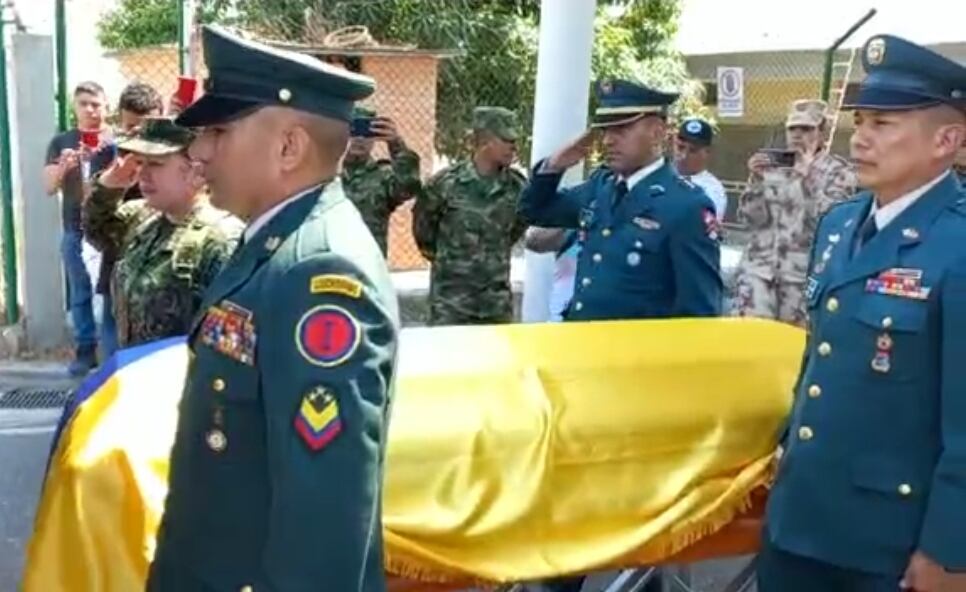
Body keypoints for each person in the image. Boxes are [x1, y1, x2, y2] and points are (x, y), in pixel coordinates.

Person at [147, 26, 399, 592]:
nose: (199, 151)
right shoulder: (275, 243)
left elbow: (324, 513)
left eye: (218, 130)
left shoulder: (320, 272)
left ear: (289, 147)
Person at [760, 35, 966, 592]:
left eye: (884, 123)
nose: (861, 138)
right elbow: (822, 356)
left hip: (889, 545)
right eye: (861, 121)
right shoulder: (840, 223)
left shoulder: (958, 244)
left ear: (947, 140)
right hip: (800, 518)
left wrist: (951, 551)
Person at [520, 79, 723, 323]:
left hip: (636, 357)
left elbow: (699, 312)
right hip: (582, 342)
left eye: (621, 130)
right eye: (605, 130)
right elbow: (535, 211)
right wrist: (555, 165)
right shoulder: (601, 186)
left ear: (658, 132)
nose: (607, 140)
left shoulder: (686, 205)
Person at [82, 116, 241, 349]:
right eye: (140, 163)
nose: (142, 174)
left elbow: (229, 343)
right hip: (135, 369)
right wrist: (107, 187)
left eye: (156, 164)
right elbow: (96, 230)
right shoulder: (141, 217)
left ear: (195, 172)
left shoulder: (221, 239)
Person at [732, 99, 857, 326]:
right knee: (750, 345)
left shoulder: (838, 172)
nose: (798, 135)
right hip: (758, 275)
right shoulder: (774, 165)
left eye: (806, 129)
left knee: (795, 351)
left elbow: (830, 225)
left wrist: (807, 177)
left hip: (800, 280)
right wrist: (757, 181)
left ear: (822, 132)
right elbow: (749, 220)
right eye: (793, 129)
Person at [412, 106, 527, 325]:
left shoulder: (517, 187)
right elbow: (424, 233)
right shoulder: (445, 184)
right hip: (451, 304)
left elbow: (514, 231)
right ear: (485, 140)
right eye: (506, 139)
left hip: (495, 304)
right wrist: (453, 263)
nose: (513, 146)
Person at [43, 81, 114, 376]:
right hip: (74, 227)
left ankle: (114, 350)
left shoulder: (115, 139)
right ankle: (86, 350)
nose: (90, 109)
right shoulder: (62, 142)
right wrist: (64, 167)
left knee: (112, 289)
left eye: (95, 104)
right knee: (80, 290)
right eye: (83, 103)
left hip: (111, 226)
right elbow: (48, 187)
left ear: (106, 107)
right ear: (74, 107)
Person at [94, 81, 165, 357]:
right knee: (115, 361)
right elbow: (91, 209)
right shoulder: (107, 154)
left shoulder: (174, 150)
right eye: (130, 128)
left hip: (162, 272)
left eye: (145, 128)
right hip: (118, 266)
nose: (137, 136)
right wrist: (113, 181)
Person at [342, 107, 422, 255]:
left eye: (366, 132)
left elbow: (409, 187)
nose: (360, 139)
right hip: (328, 261)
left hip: (368, 264)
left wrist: (396, 144)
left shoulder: (382, 176)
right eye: (354, 131)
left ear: (375, 137)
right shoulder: (324, 173)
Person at [674, 118, 728, 221]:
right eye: (680, 147)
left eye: (693, 150)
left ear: (707, 152)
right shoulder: (660, 176)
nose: (684, 155)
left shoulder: (712, 190)